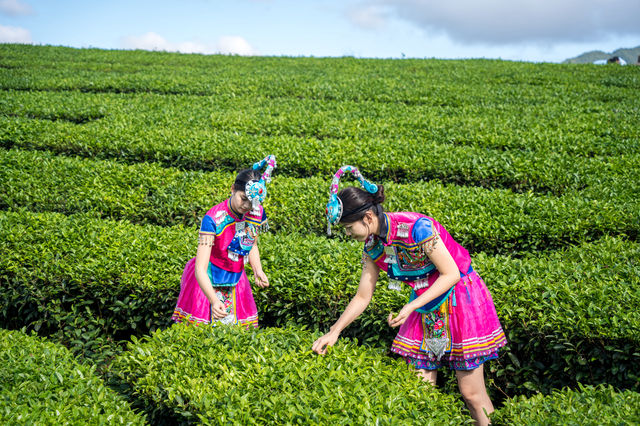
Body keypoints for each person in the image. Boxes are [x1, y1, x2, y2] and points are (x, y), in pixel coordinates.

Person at [312, 165, 506, 426]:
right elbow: (362, 296)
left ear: (367, 217)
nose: (348, 234)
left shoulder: (418, 228)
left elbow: (451, 274)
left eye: (349, 228)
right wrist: (334, 331)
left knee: (471, 394)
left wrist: (410, 307)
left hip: (459, 300)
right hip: (424, 306)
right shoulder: (372, 246)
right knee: (418, 392)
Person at [172, 155, 276, 328]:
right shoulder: (212, 219)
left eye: (252, 202)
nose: (247, 207)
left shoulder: (256, 212)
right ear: (233, 189)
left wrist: (258, 270)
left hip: (236, 277)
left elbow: (252, 245)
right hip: (207, 279)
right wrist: (213, 299)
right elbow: (200, 268)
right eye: (243, 199)